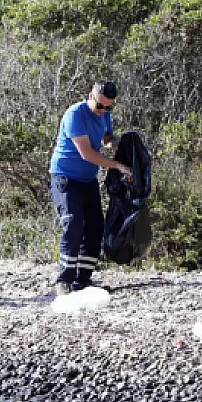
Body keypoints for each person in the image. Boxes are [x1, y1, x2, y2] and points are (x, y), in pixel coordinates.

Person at [48, 81, 133, 296]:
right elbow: (87, 154)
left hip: (87, 179)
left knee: (95, 226)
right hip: (66, 177)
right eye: (100, 106)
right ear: (90, 96)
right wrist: (117, 166)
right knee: (73, 222)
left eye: (108, 107)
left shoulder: (103, 114)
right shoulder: (75, 114)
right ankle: (64, 279)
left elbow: (105, 139)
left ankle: (83, 279)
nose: (103, 111)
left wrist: (119, 142)